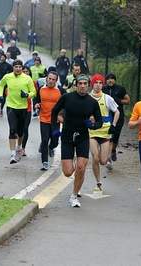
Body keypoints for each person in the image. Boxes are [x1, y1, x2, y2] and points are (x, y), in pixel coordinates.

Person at [51, 74, 103, 208]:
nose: (83, 86)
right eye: (80, 84)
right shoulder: (67, 98)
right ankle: (73, 164)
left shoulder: (92, 102)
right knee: (68, 172)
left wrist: (92, 125)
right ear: (76, 85)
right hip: (67, 137)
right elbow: (54, 110)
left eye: (85, 84)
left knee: (81, 168)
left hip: (82, 137)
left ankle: (74, 195)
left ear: (88, 85)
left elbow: (99, 122)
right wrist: (55, 128)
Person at [0, 60, 36, 164]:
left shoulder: (27, 78)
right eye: (16, 67)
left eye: (20, 67)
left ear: (22, 68)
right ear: (13, 68)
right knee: (12, 130)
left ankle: (19, 147)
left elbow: (34, 92)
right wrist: (0, 95)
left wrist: (27, 95)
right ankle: (12, 154)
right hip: (11, 106)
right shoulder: (7, 77)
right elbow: (1, 85)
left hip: (23, 107)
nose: (18, 69)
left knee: (20, 131)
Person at [89, 74, 120, 191]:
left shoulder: (107, 98)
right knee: (95, 158)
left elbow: (117, 112)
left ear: (102, 85)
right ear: (92, 84)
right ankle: (98, 182)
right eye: (96, 83)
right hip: (92, 131)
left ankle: (102, 164)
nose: (98, 85)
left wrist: (114, 125)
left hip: (105, 132)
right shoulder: (87, 98)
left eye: (100, 83)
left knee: (103, 161)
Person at [34, 71, 66, 170]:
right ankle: (44, 162)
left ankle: (51, 147)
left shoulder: (61, 91)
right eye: (49, 78)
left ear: (56, 81)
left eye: (53, 79)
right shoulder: (41, 89)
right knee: (44, 140)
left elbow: (66, 104)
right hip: (43, 118)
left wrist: (63, 115)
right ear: (46, 78)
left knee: (55, 142)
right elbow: (36, 99)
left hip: (55, 120)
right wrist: (36, 104)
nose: (51, 81)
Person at [102, 73, 131, 162]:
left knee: (116, 136)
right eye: (108, 79)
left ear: (115, 80)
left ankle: (113, 150)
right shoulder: (103, 89)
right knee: (109, 135)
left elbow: (128, 101)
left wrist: (118, 100)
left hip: (119, 115)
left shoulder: (120, 89)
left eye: (112, 79)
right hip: (107, 115)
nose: (110, 80)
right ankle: (108, 155)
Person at [20, 66, 39, 156]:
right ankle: (18, 145)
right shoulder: (17, 81)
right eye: (23, 71)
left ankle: (23, 148)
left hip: (28, 109)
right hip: (17, 108)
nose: (25, 73)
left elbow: (36, 95)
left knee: (25, 128)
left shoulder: (33, 82)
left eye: (27, 71)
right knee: (17, 129)